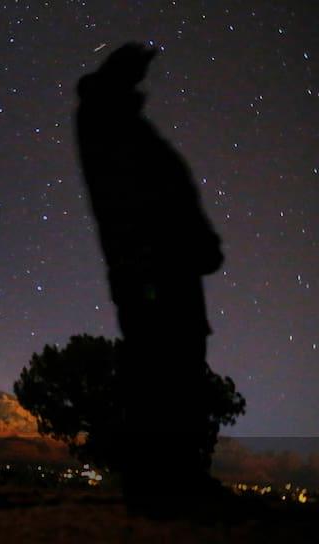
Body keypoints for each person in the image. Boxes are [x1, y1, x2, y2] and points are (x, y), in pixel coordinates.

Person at [75, 43, 226, 510]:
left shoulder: (121, 126)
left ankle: (173, 479)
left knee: (175, 368)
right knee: (162, 368)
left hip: (162, 263)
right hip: (151, 265)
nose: (143, 81)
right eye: (135, 73)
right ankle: (161, 485)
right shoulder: (109, 124)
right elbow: (149, 196)